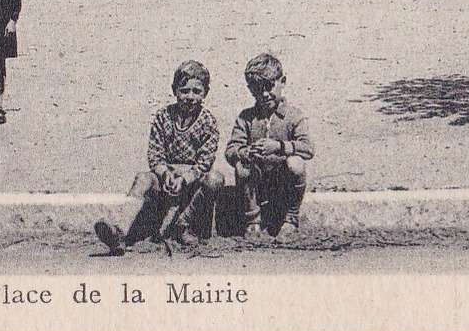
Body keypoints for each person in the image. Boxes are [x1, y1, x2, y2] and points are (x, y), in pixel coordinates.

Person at [94, 60, 224, 254]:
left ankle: (182, 224)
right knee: (142, 178)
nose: (190, 97)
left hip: (192, 182)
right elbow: (155, 154)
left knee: (215, 178)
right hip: (165, 180)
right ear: (174, 90)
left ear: (205, 92)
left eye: (196, 91)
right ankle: (120, 229)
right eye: (184, 90)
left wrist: (184, 178)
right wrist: (165, 174)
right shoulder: (163, 117)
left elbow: (205, 162)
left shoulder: (208, 122)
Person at [225, 53, 312, 238]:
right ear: (250, 89)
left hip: (283, 182)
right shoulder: (246, 117)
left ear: (283, 81)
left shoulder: (293, 116)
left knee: (296, 163)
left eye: (269, 86)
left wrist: (279, 147)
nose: (264, 94)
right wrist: (246, 152)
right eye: (257, 88)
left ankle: (291, 218)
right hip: (257, 183)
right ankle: (253, 220)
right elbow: (231, 150)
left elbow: (307, 148)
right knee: (242, 167)